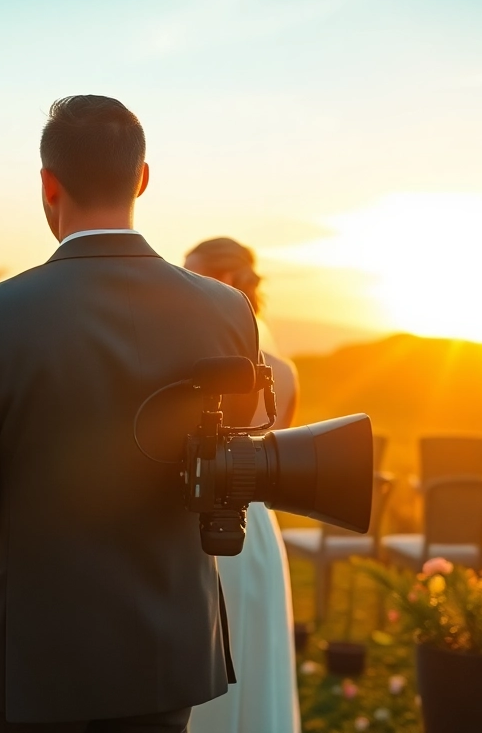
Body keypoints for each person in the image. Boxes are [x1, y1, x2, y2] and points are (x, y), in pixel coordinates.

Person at [0, 95, 260, 732]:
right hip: (165, 648)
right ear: (142, 178)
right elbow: (231, 472)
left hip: (29, 655)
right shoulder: (227, 311)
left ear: (48, 185)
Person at [183, 237, 301, 733]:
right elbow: (280, 463)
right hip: (258, 533)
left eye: (192, 277)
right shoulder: (286, 373)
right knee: (252, 664)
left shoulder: (192, 367)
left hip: (204, 528)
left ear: (225, 281)